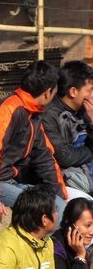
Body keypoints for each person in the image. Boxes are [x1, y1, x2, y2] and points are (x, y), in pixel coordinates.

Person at [0, 60, 67, 221]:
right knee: (47, 213)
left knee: (61, 207)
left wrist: (61, 194)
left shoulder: (34, 114)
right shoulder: (9, 109)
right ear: (47, 92)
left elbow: (45, 157)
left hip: (11, 182)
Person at [41, 60, 93, 200]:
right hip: (63, 183)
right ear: (73, 91)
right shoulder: (49, 116)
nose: (91, 95)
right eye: (89, 90)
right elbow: (66, 157)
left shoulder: (86, 110)